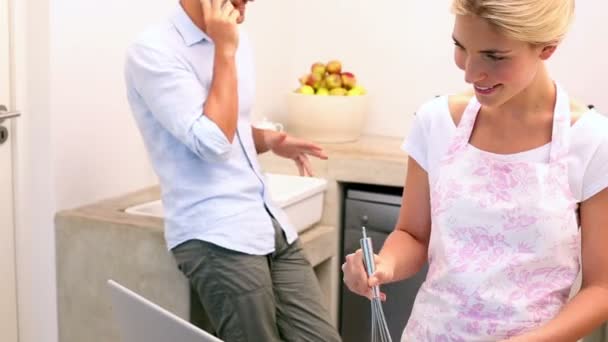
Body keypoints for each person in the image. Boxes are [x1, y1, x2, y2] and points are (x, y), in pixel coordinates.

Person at [343, 0, 608, 340]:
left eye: (494, 56)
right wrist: (384, 265)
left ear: (547, 48)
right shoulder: (435, 122)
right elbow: (412, 234)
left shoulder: (591, 141)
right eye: (460, 46)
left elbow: (601, 288)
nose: (470, 72)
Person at [124, 0, 341, 341]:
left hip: (267, 220)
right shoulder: (154, 51)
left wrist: (268, 139)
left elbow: (229, 127)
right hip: (217, 233)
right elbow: (211, 140)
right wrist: (224, 50)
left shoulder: (235, 39)